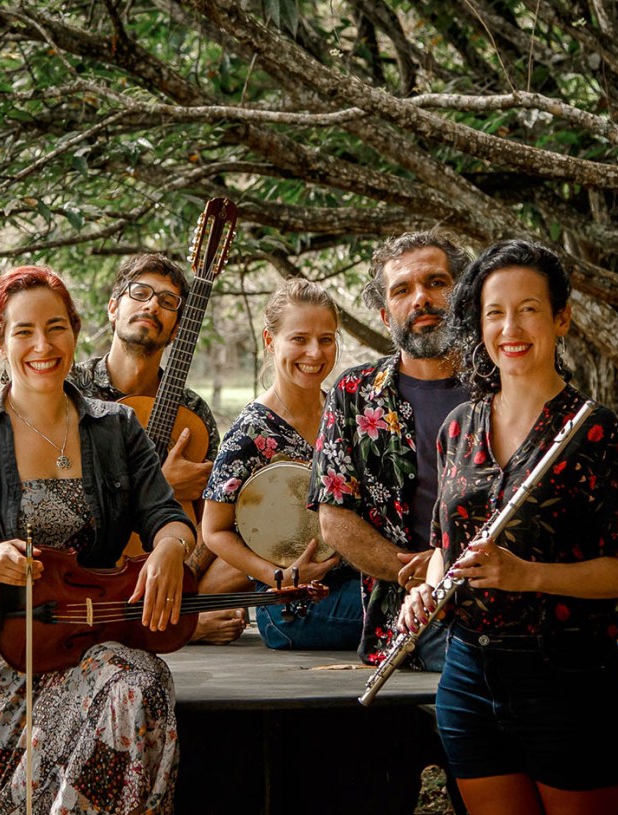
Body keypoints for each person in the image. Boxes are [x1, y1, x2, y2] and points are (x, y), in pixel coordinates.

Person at [0, 265, 195, 815]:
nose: (43, 346)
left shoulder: (118, 429)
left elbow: (167, 517)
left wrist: (168, 549)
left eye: (56, 328)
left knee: (139, 683)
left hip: (90, 633)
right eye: (24, 331)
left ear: (75, 332)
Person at [400, 239, 618, 815]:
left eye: (529, 309)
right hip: (467, 674)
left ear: (561, 319)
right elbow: (446, 548)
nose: (510, 328)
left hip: (569, 678)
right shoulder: (458, 427)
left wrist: (528, 575)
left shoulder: (599, 434)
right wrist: (428, 591)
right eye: (494, 312)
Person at [308, 230, 472, 669]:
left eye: (436, 283)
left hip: (497, 596)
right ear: (385, 315)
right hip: (404, 615)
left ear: (462, 295)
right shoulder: (354, 393)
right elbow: (334, 519)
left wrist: (448, 567)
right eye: (402, 290)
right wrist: (418, 571)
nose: (421, 299)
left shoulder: (500, 385)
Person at [69, 252, 248, 645]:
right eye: (140, 293)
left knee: (252, 537)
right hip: (88, 564)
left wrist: (185, 573)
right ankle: (182, 622)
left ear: (177, 328)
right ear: (113, 308)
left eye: (168, 301)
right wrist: (159, 485)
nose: (152, 305)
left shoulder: (193, 411)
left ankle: (168, 610)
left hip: (172, 558)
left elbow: (212, 516)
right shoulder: (71, 390)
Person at [202, 278, 363, 649]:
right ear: (270, 341)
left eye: (326, 339)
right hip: (291, 605)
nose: (315, 352)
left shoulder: (345, 414)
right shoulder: (251, 430)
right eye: (299, 339)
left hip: (356, 581)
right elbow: (214, 531)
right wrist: (278, 576)